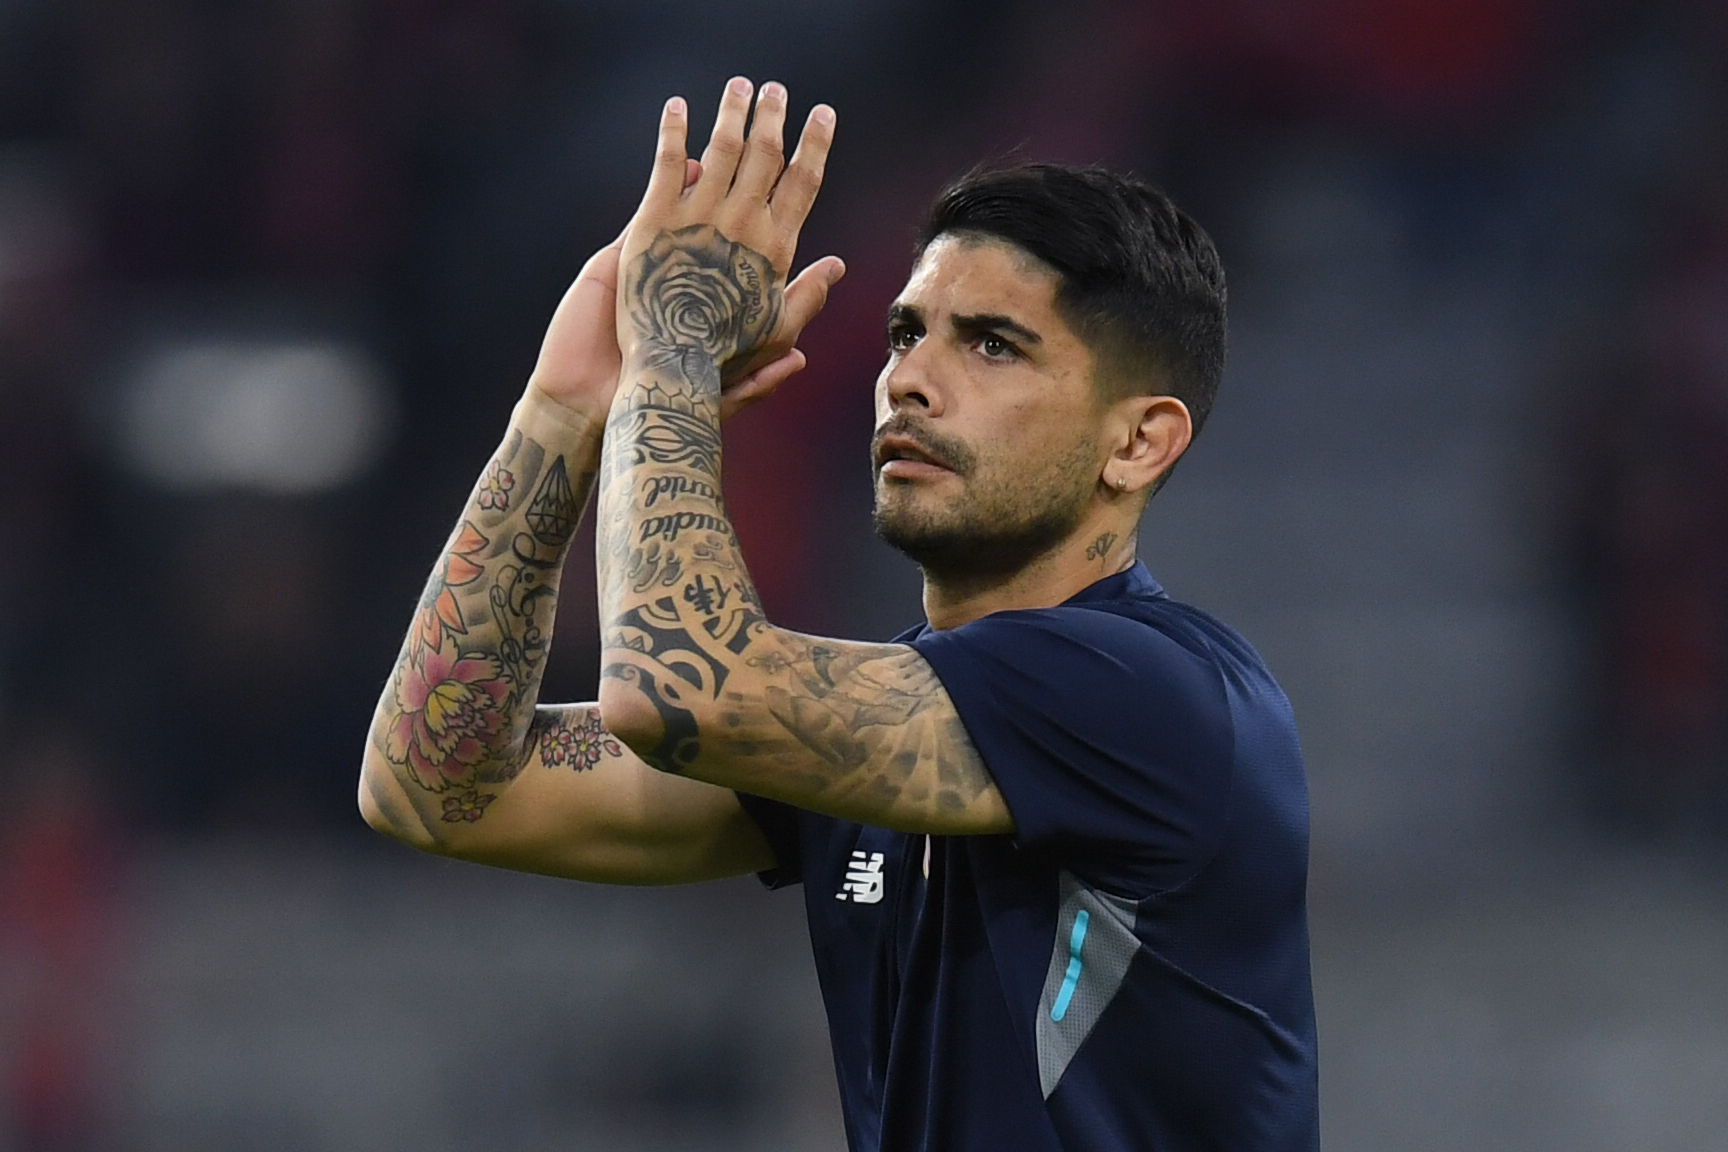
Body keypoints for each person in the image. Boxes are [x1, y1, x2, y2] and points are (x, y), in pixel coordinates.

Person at [360, 76, 1318, 1151]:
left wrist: (669, 356)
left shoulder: (1159, 694)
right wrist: (562, 410)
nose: (911, 380)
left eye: (993, 345)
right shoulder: (877, 736)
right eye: (908, 333)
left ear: (1138, 441)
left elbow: (681, 692)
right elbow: (440, 783)